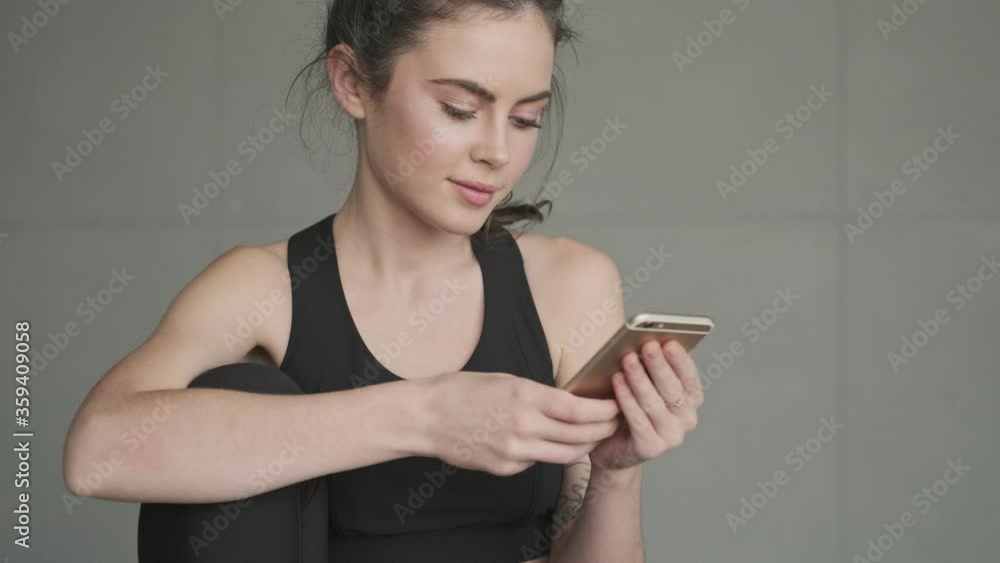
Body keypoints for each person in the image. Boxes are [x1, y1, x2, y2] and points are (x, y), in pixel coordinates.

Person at [61, 1, 705, 562]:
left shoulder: (571, 284)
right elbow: (97, 453)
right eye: (460, 109)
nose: (498, 153)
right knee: (239, 392)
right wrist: (424, 415)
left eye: (525, 119)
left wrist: (616, 477)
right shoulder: (261, 289)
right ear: (352, 82)